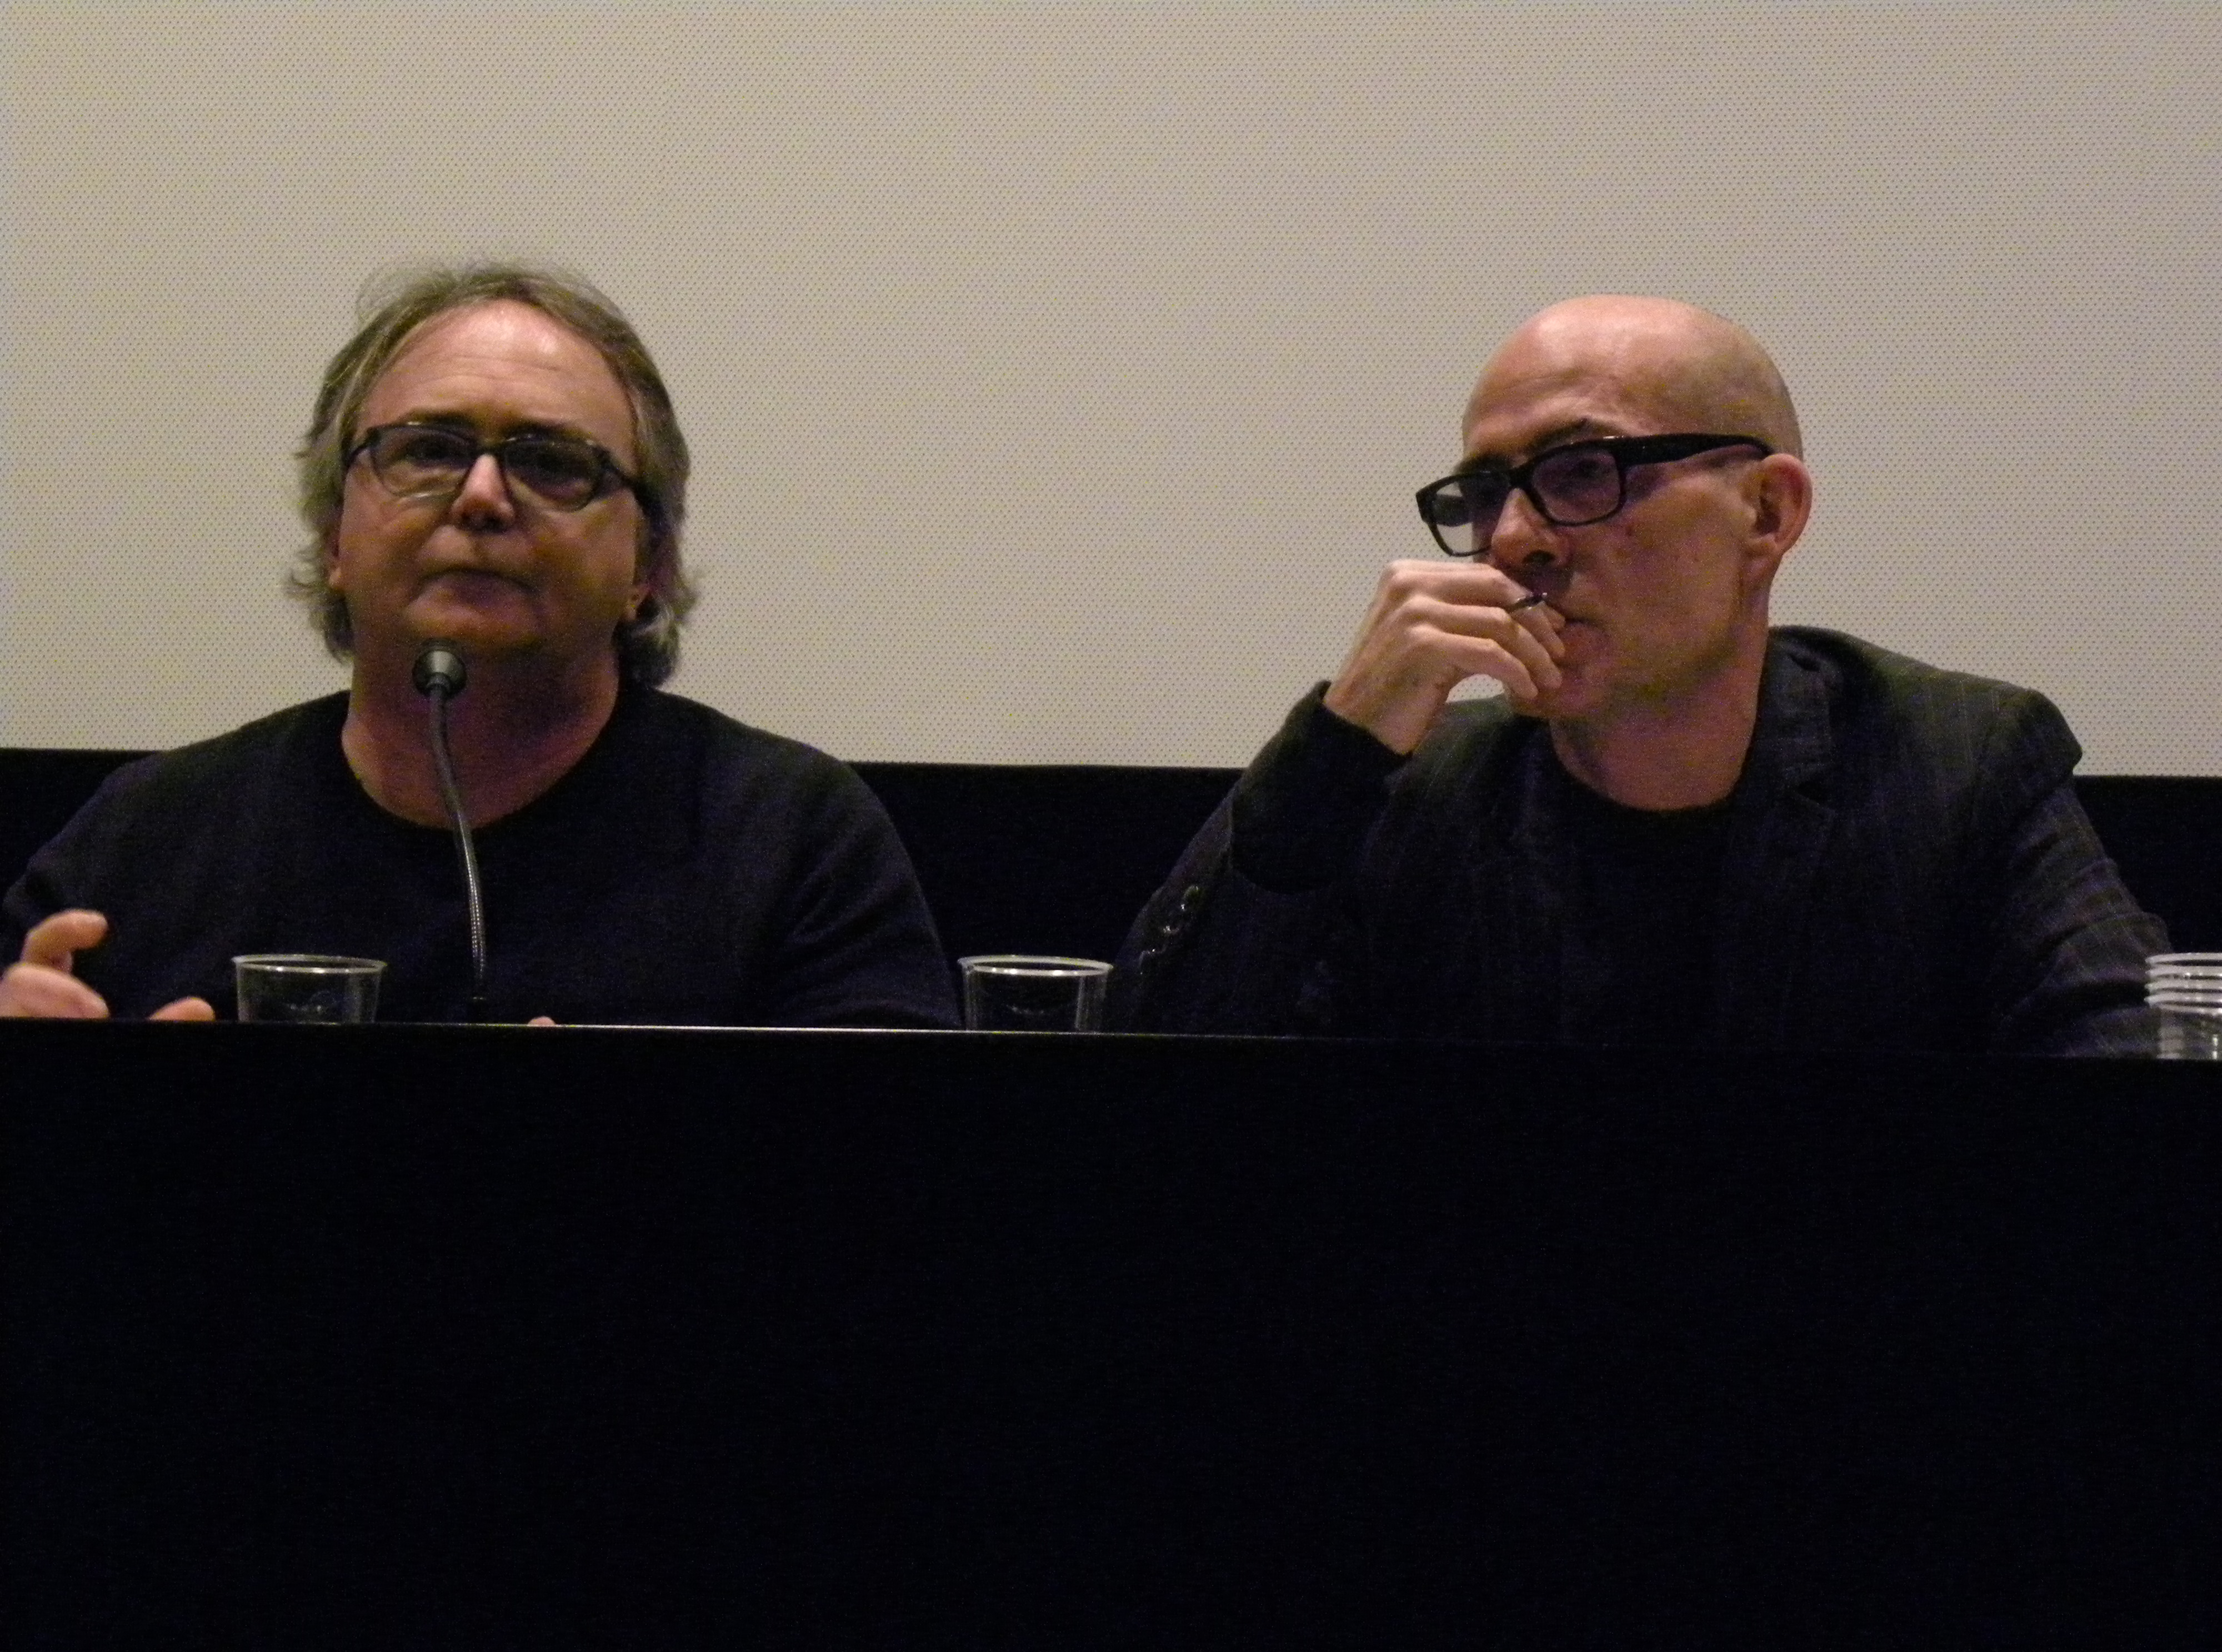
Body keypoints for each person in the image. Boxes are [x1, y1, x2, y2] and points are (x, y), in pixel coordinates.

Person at [1114, 295, 2164, 1054]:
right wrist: (1334, 751)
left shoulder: (1955, 768)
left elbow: (2145, 1105)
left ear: (1767, 513)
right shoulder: (1407, 794)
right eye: (1485, 494)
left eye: (1585, 472)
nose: (1513, 540)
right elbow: (1139, 1112)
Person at [2, 263, 956, 1026]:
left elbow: (908, 1185)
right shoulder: (148, 839)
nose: (483, 497)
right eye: (428, 451)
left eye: (553, 463)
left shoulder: (791, 842)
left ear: (648, 566)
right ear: (335, 537)